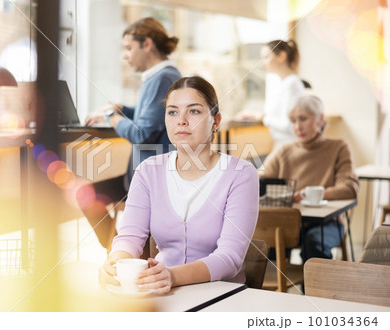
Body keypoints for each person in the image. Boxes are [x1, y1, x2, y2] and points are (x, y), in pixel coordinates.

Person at [98, 76, 259, 294]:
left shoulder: (241, 174)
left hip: (220, 298)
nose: (181, 120)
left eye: (194, 111)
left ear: (216, 121)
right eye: (173, 112)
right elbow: (130, 237)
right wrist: (116, 262)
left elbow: (230, 257)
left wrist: (171, 276)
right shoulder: (148, 170)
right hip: (161, 293)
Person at [78, 17, 182, 250]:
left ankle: (117, 248)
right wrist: (123, 109)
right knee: (87, 192)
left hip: (148, 184)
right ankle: (118, 248)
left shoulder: (161, 78)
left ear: (147, 44)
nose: (125, 55)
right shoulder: (163, 76)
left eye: (128, 48)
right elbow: (154, 115)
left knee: (85, 193)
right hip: (146, 178)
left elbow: (143, 133)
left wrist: (111, 118)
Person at [260, 94, 359, 261]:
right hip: (288, 223)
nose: (297, 126)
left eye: (303, 119)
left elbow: (349, 189)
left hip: (327, 224)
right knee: (264, 244)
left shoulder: (339, 147)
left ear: (320, 119)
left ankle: (315, 288)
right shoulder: (284, 151)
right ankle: (271, 287)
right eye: (293, 121)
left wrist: (310, 193)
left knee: (313, 244)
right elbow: (259, 179)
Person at [236, 40, 306, 149]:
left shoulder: (292, 84)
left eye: (266, 57)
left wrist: (261, 116)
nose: (263, 63)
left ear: (282, 56)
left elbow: (289, 124)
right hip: (284, 148)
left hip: (291, 148)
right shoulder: (284, 84)